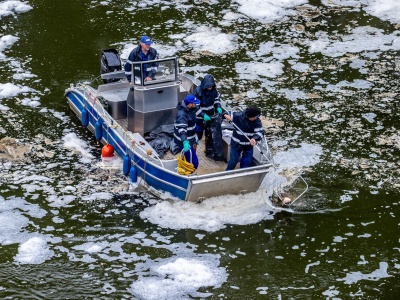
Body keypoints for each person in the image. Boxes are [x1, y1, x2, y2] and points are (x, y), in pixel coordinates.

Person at [223, 106, 265, 171]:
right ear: (249, 116)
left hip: (248, 145)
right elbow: (225, 113)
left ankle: (243, 175)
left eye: (256, 117)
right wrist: (225, 115)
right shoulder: (238, 116)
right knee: (233, 162)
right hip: (236, 144)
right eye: (254, 117)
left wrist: (254, 138)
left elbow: (260, 132)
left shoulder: (257, 121)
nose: (256, 118)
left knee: (246, 163)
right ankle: (227, 174)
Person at [172, 94, 200, 169]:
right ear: (190, 104)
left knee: (189, 158)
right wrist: (185, 141)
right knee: (194, 163)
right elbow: (182, 130)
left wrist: (204, 116)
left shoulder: (191, 109)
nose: (196, 104)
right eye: (194, 103)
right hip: (185, 141)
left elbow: (198, 111)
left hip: (191, 138)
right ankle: (189, 176)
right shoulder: (182, 115)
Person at [194, 74, 223, 140]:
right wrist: (203, 115)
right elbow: (196, 107)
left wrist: (218, 106)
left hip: (210, 115)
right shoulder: (198, 91)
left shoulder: (214, 90)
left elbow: (216, 99)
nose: (210, 87)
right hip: (199, 117)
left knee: (209, 133)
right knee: (198, 134)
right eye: (209, 86)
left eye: (211, 86)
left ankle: (207, 147)